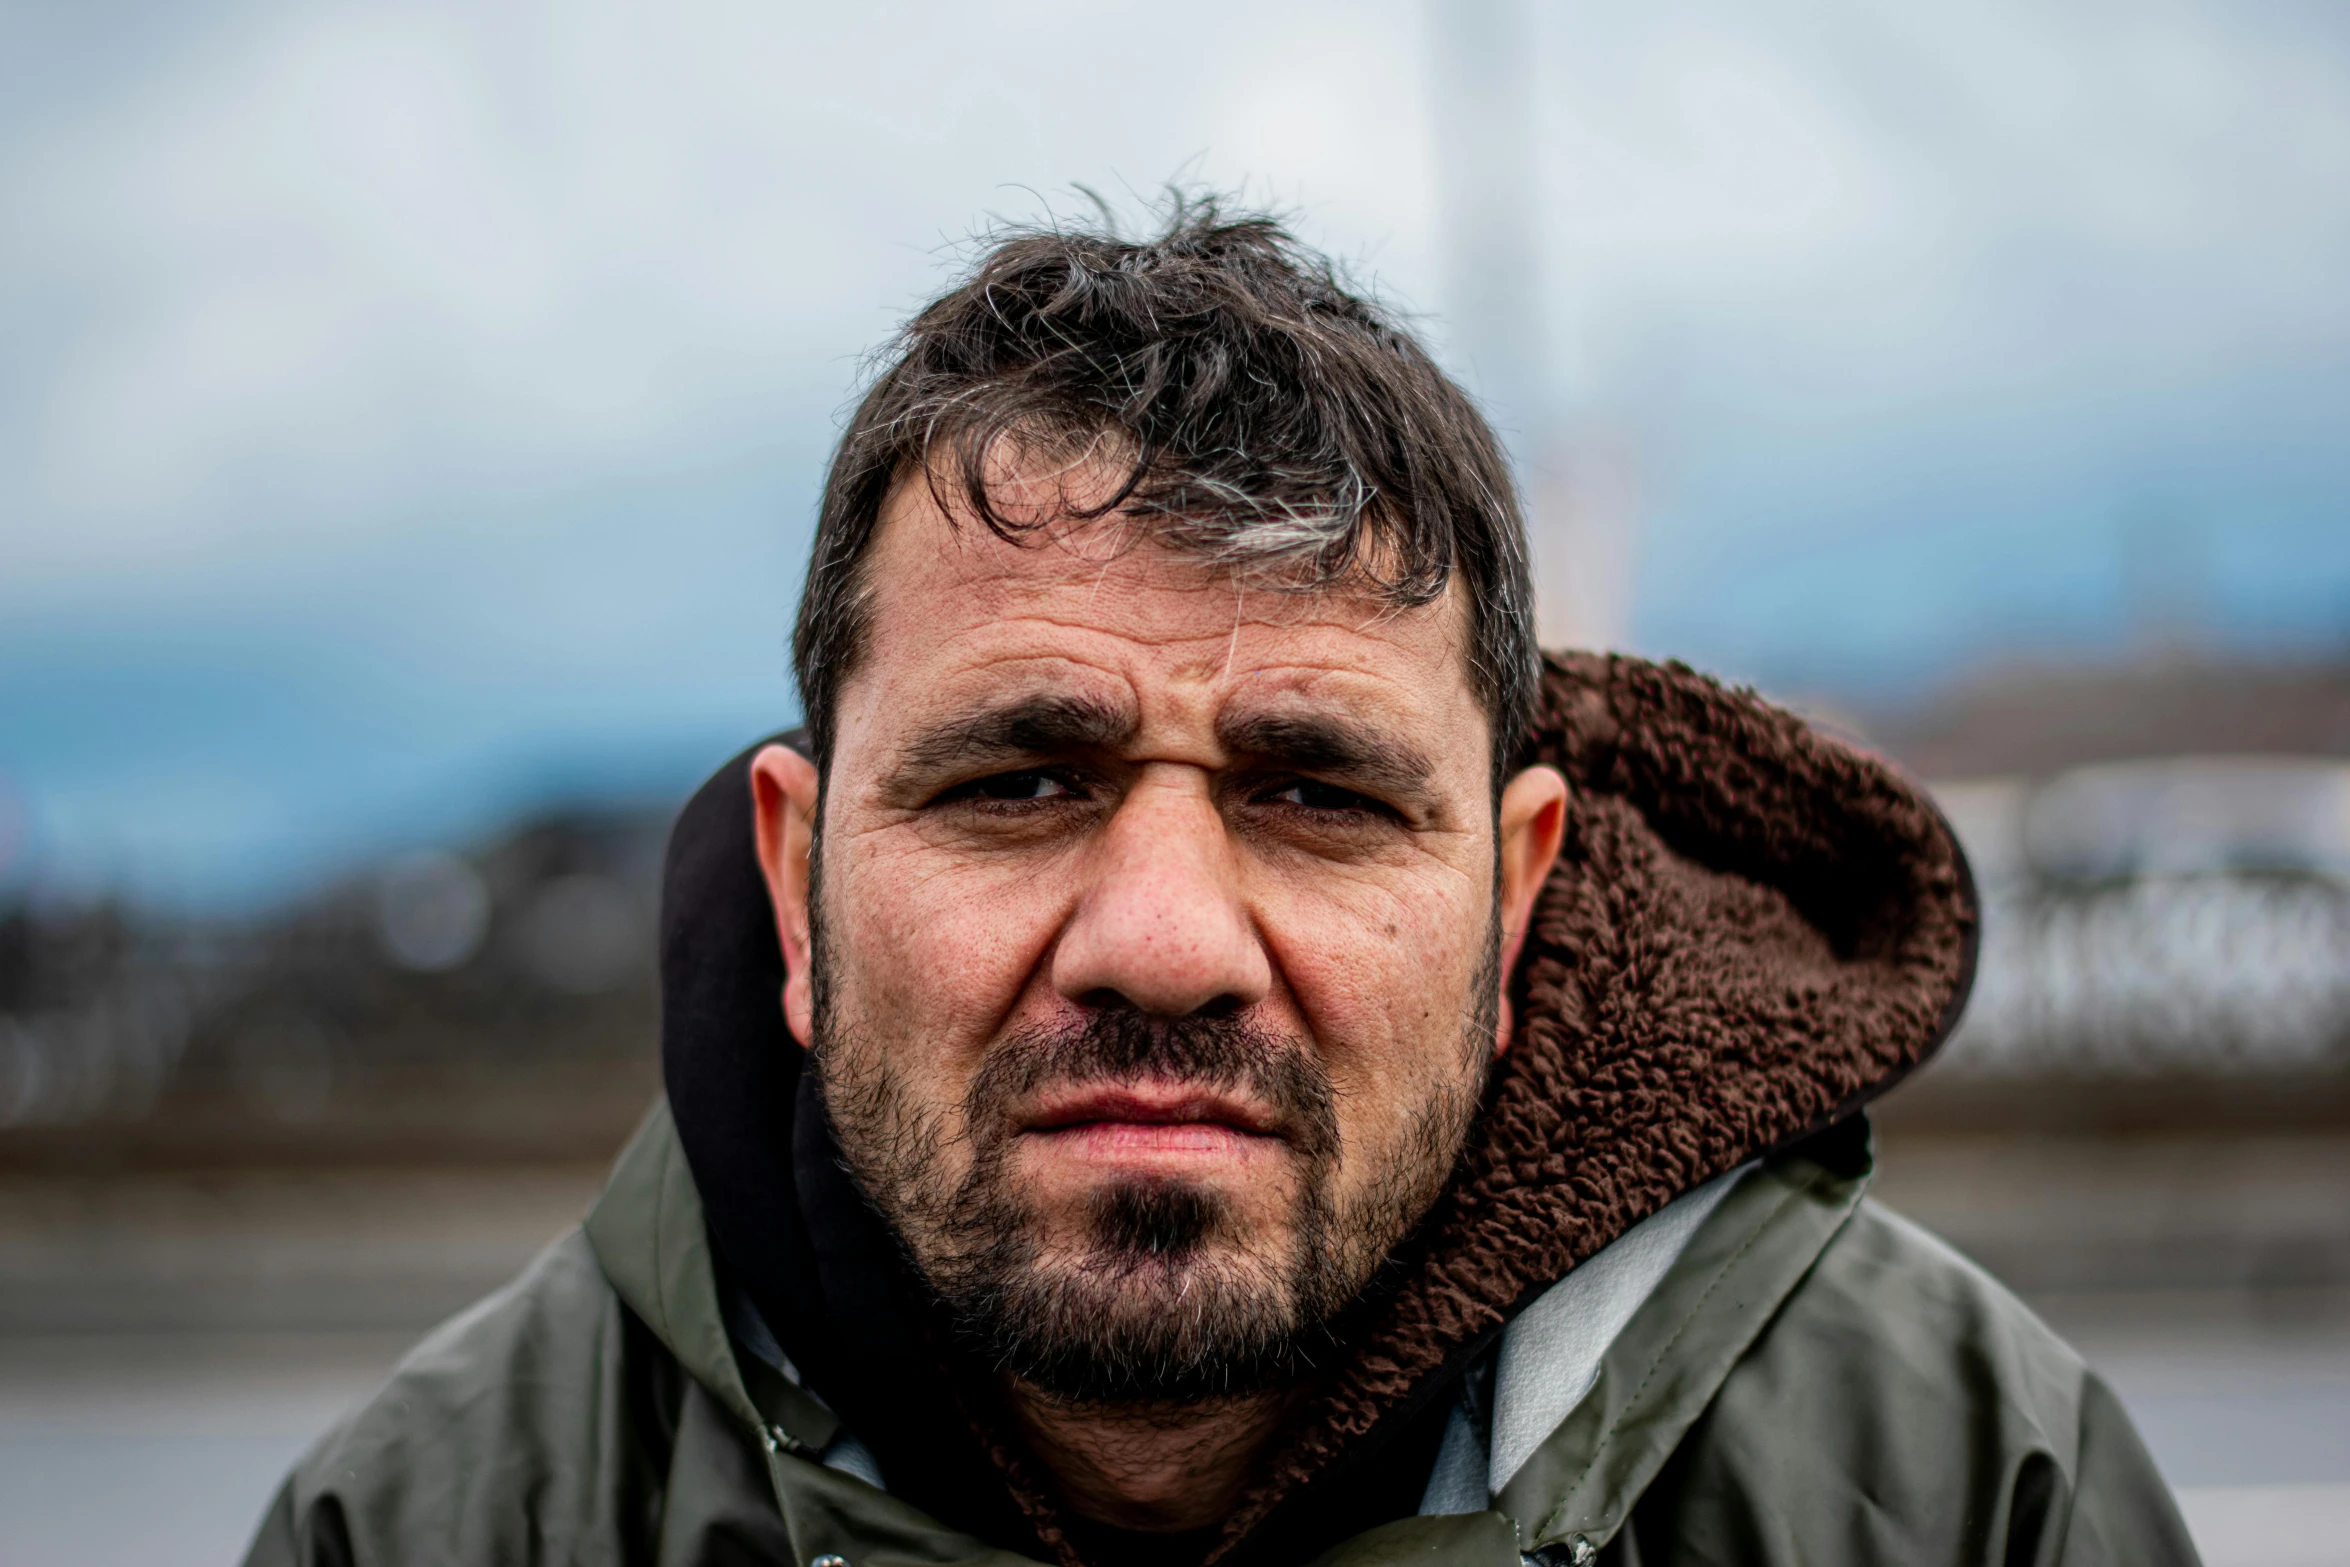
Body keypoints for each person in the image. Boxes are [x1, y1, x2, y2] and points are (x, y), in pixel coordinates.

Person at [245, 199, 2199, 1567]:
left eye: (1319, 795)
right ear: (796, 880)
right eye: (1016, 782)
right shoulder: (440, 1520)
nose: (1165, 943)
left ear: (1513, 908)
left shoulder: (1954, 1486)